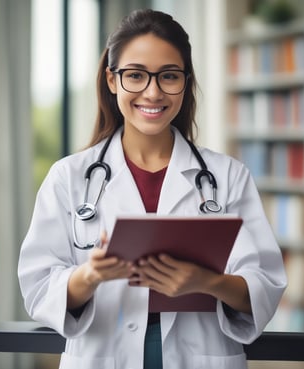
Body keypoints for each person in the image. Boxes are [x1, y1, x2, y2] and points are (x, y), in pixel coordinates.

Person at [18, 8, 287, 369]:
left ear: (185, 82)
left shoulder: (227, 177)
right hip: (103, 354)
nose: (153, 91)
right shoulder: (69, 177)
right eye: (136, 76)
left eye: (169, 76)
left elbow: (264, 285)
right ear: (112, 81)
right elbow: (38, 288)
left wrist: (207, 282)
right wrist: (90, 275)